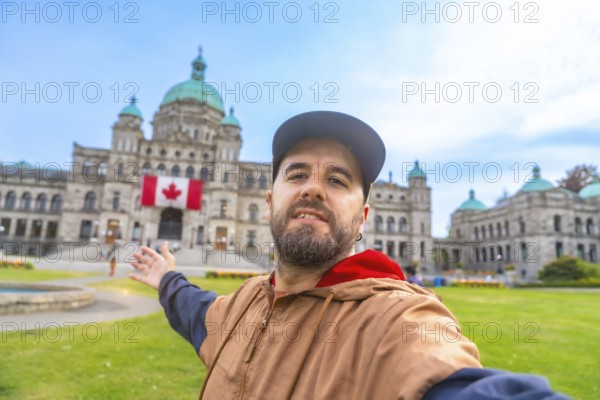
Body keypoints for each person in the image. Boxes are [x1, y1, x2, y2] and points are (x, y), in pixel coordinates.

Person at [130, 111, 568, 399]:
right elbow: (196, 311)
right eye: (297, 173)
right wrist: (167, 278)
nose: (313, 187)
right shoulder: (242, 307)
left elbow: (442, 378)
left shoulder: (390, 321)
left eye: (337, 180)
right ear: (267, 201)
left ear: (363, 218)